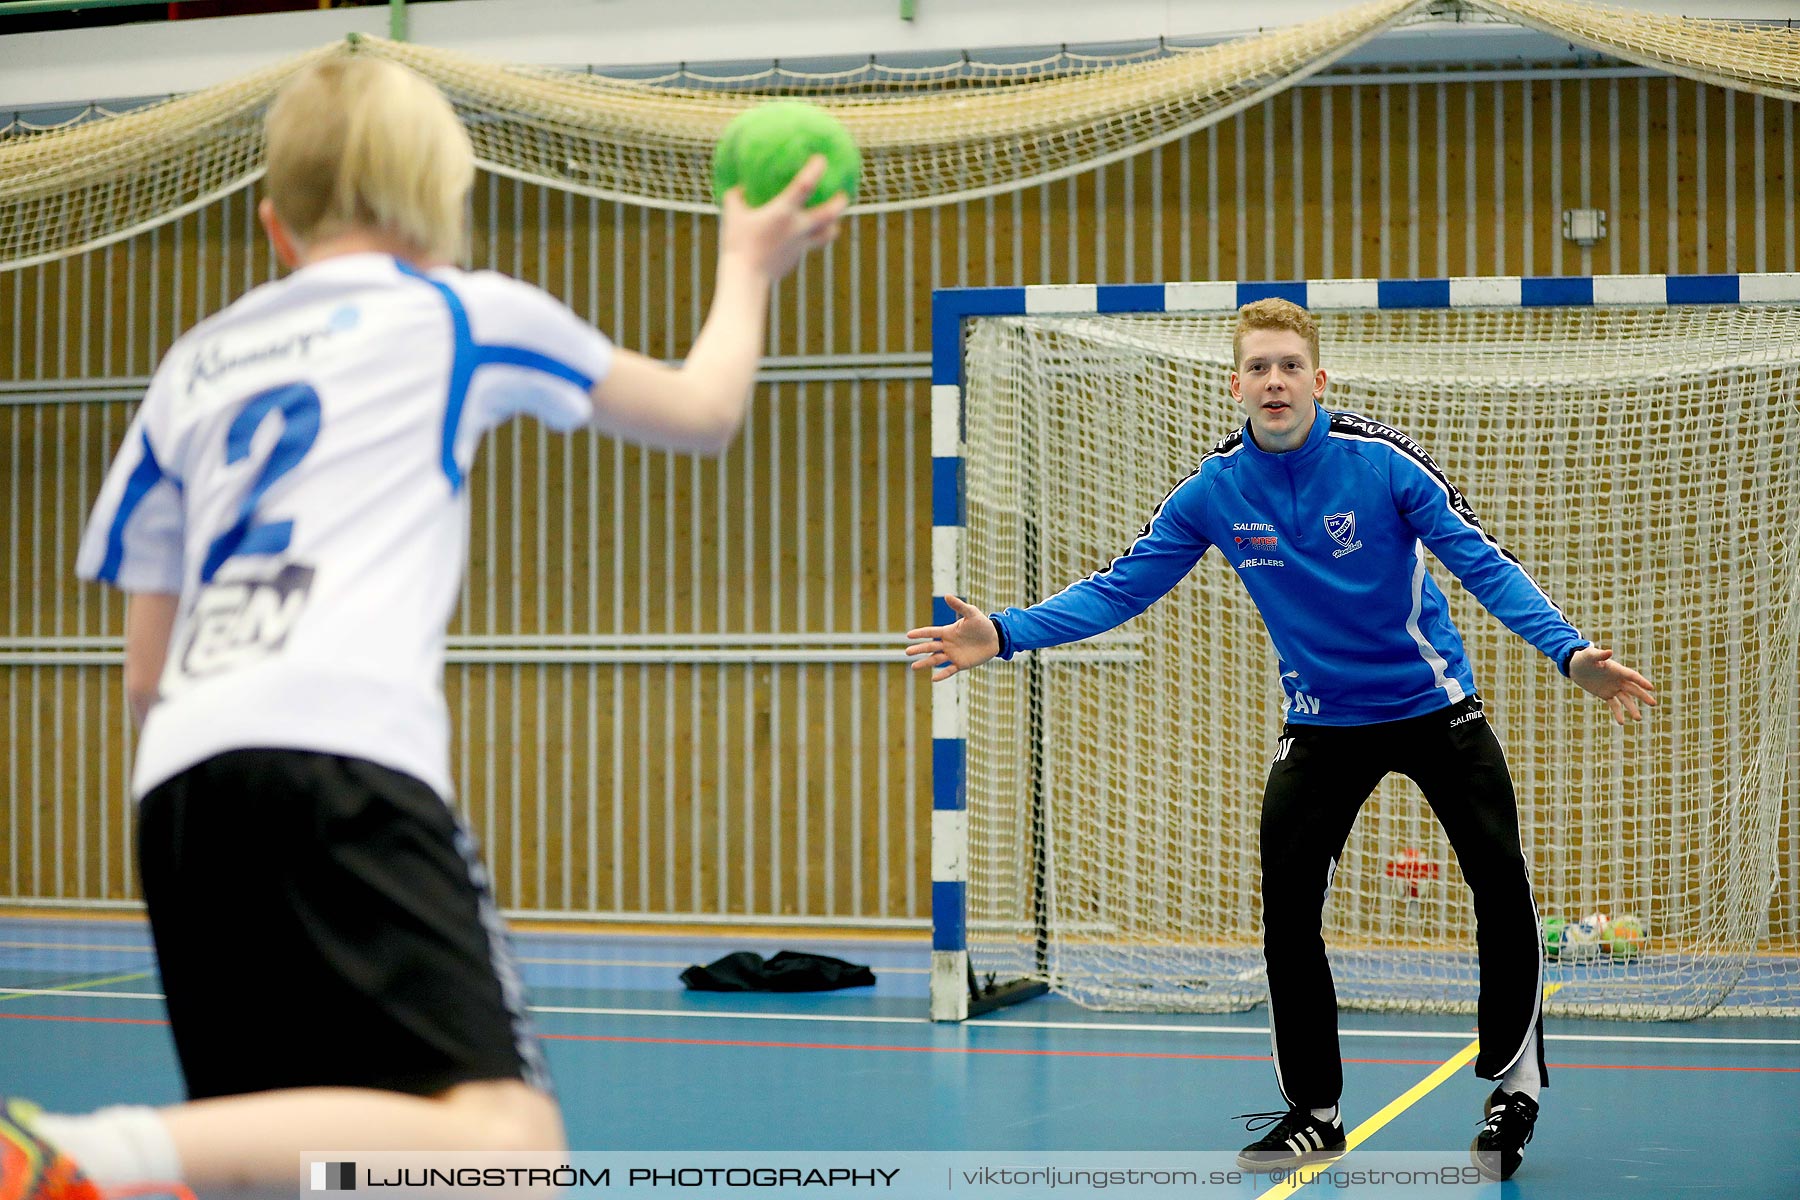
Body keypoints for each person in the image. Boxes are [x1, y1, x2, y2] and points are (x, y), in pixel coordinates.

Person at [0, 53, 843, 1200]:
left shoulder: (190, 366)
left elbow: (146, 676)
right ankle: (89, 1154)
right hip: (342, 760)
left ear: (273, 226)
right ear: (442, 199)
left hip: (182, 788)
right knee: (506, 1152)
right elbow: (703, 412)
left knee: (294, 1159)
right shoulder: (460, 311)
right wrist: (748, 266)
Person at [905, 297, 1655, 1183]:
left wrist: (1570, 654)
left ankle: (1513, 1088)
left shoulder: (1383, 465)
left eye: (1289, 366)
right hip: (1323, 722)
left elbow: (1482, 560)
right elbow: (1120, 588)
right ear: (1236, 386)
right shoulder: (1214, 491)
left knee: (1500, 882)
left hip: (1435, 708)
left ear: (1319, 381)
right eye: (1258, 368)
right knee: (1288, 911)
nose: (1274, 381)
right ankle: (1317, 1111)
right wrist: (1007, 632)